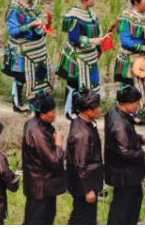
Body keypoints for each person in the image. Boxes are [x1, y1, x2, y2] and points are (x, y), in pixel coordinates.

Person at [105, 85, 145, 225]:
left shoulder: (114, 113)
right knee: (123, 212)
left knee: (129, 207)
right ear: (127, 104)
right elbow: (125, 152)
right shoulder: (118, 124)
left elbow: (126, 137)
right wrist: (144, 153)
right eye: (137, 104)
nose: (137, 106)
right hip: (125, 176)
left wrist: (142, 138)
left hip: (126, 173)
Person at [2, 0, 52, 115]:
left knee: (35, 74)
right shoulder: (14, 9)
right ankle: (17, 104)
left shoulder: (31, 6)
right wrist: (30, 26)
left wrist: (43, 28)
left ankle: (35, 101)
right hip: (20, 49)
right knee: (21, 76)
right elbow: (12, 31)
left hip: (32, 48)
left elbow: (36, 23)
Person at [56, 0, 103, 120]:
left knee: (88, 85)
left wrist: (99, 47)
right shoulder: (75, 16)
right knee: (73, 84)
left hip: (90, 56)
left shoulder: (90, 13)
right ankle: (69, 110)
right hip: (77, 58)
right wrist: (91, 41)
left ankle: (82, 108)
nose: (94, 0)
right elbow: (73, 38)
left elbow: (95, 32)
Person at [22, 91, 66, 225]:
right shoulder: (37, 133)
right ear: (42, 115)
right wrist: (58, 144)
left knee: (48, 218)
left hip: (47, 185)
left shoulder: (37, 123)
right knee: (36, 221)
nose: (55, 115)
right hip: (39, 188)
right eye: (53, 112)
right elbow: (54, 161)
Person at [115, 0, 145, 122]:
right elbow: (125, 41)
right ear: (137, 1)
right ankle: (123, 117)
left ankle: (136, 113)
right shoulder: (126, 17)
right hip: (130, 60)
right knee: (129, 92)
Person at [65, 89, 103, 225]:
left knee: (88, 219)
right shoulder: (82, 134)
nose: (100, 110)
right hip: (84, 186)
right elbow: (79, 164)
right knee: (80, 219)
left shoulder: (82, 122)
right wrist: (87, 190)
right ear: (88, 111)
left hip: (86, 182)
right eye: (97, 107)